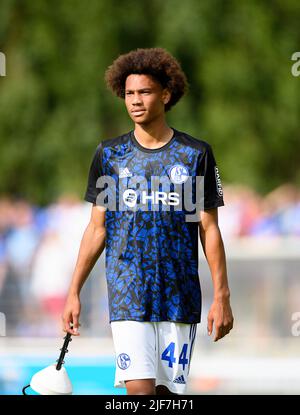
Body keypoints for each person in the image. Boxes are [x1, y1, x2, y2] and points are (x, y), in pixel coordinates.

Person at [62, 47, 234, 395]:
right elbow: (97, 229)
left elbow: (208, 228)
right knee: (139, 392)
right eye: (129, 93)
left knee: (167, 396)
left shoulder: (194, 154)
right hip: (128, 293)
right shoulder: (109, 155)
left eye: (144, 92)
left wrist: (222, 295)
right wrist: (73, 291)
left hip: (179, 294)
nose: (135, 100)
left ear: (166, 95)